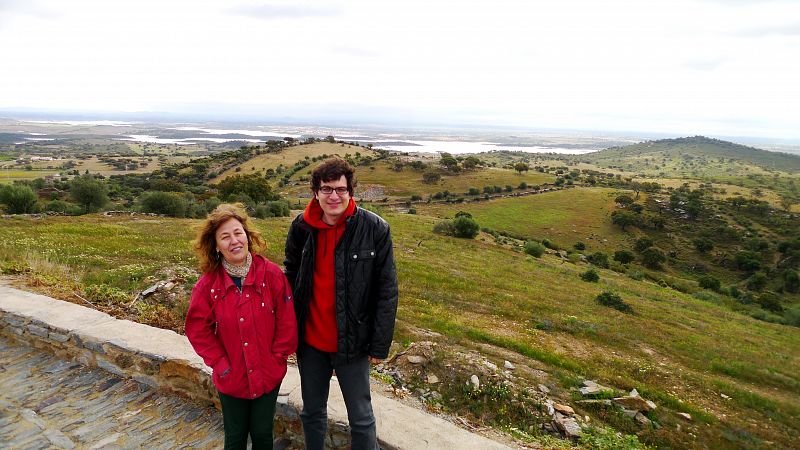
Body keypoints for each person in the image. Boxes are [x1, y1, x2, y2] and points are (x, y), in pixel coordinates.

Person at [284, 157, 398, 450]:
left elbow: (386, 290)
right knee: (312, 412)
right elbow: (291, 276)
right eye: (326, 189)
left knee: (361, 418)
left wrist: (379, 345)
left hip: (353, 342)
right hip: (311, 341)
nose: (333, 196)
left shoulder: (375, 228)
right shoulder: (301, 227)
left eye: (340, 189)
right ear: (316, 192)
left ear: (350, 192)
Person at [186, 203, 297, 450]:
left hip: (268, 374)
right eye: (225, 236)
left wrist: (278, 357)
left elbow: (287, 320)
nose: (234, 241)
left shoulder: (271, 275)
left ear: (247, 236)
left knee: (262, 434)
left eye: (238, 233)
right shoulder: (207, 286)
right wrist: (221, 364)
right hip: (232, 376)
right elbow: (197, 330)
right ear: (216, 245)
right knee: (235, 437)